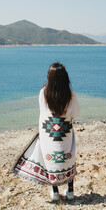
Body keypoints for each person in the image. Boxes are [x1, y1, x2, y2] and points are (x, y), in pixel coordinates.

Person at [12, 62, 80, 201]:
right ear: (65, 77)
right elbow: (76, 112)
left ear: (49, 77)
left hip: (48, 131)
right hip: (65, 131)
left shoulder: (43, 92)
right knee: (68, 157)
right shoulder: (70, 94)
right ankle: (70, 191)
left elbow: (43, 112)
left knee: (50, 160)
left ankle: (55, 192)